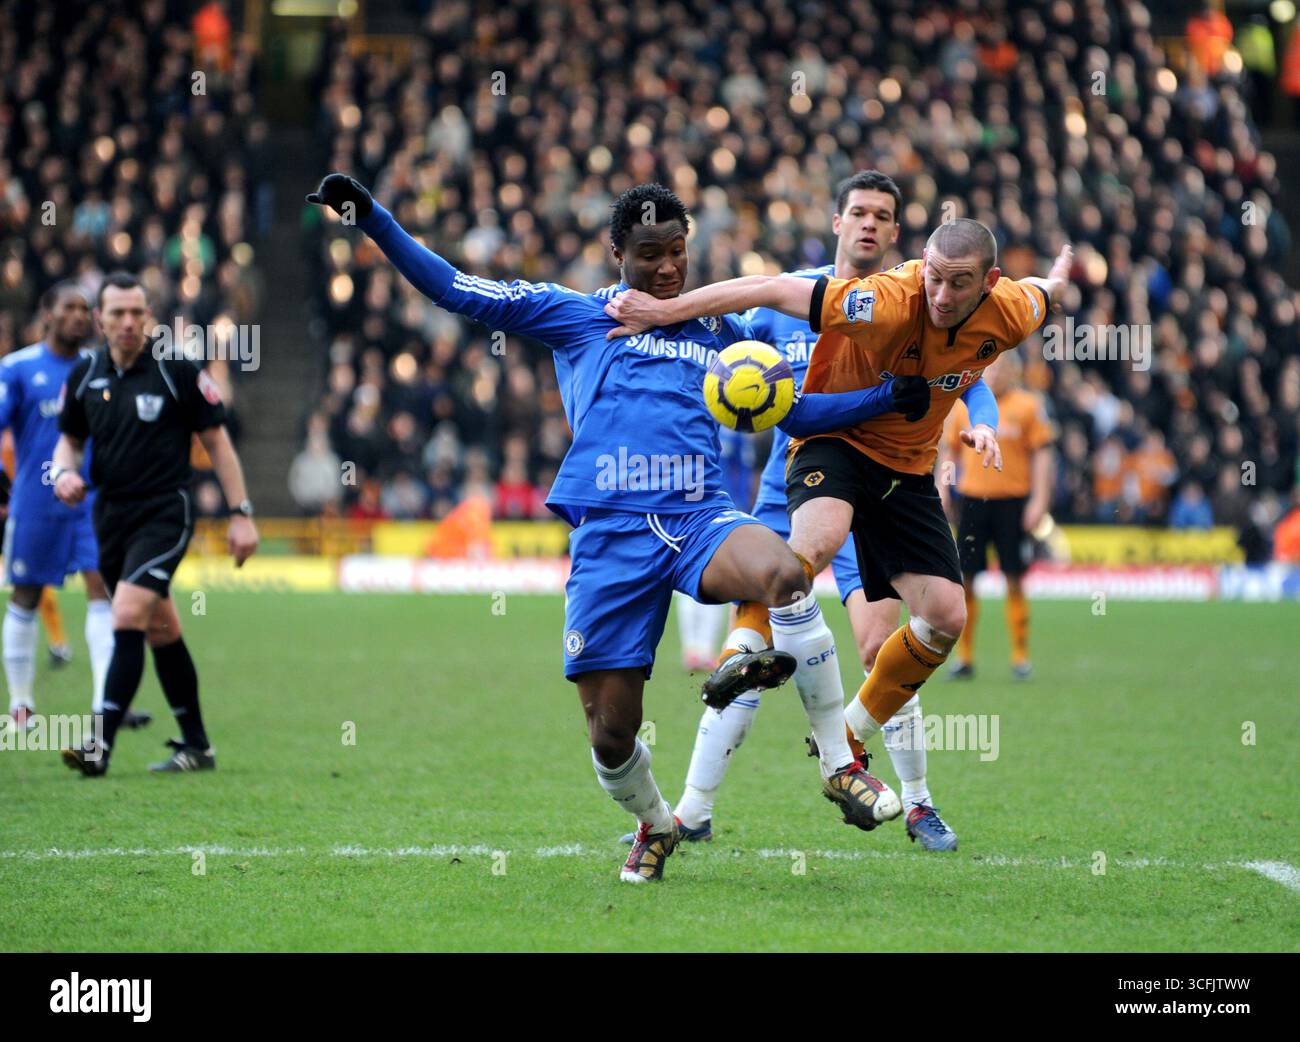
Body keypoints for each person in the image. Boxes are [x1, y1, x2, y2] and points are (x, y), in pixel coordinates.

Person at [307, 173, 928, 882]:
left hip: (700, 515)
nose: (667, 268)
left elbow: (796, 414)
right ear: (616, 255)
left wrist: (884, 396)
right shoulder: (573, 316)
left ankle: (840, 765)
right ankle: (660, 823)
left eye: (677, 252)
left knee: (785, 573)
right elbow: (454, 287)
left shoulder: (723, 329)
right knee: (610, 734)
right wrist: (371, 217)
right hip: (608, 536)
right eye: (649, 254)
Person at [604, 219, 1072, 772]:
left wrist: (1058, 283)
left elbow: (1040, 296)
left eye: (960, 284)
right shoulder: (883, 300)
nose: (942, 296)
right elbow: (771, 288)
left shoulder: (1013, 311)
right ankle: (747, 649)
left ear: (990, 282)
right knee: (818, 542)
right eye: (935, 278)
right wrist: (662, 311)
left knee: (947, 615)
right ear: (922, 263)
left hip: (906, 470)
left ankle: (849, 732)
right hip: (834, 441)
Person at [635, 172, 998, 852]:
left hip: (881, 497)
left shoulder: (908, 306)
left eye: (881, 216)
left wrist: (981, 419)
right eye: (857, 211)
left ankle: (917, 803)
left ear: (896, 235)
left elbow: (967, 376)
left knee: (879, 647)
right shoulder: (790, 303)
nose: (867, 224)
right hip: (790, 501)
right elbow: (723, 349)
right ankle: (692, 810)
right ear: (837, 223)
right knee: (746, 660)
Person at [53, 272, 258, 775]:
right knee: (161, 628)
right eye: (117, 313)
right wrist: (61, 472)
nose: (127, 322)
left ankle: (97, 747)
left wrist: (241, 514)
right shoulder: (84, 376)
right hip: (111, 516)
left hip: (165, 512)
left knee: (125, 615)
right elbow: (70, 441)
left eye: (136, 313)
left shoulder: (177, 372)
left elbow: (218, 444)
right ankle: (198, 746)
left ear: (149, 318)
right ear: (99, 319)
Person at [0, 283, 148, 733]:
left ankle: (106, 706)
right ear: (47, 313)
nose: (80, 317)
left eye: (86, 309)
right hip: (36, 503)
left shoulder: (101, 368)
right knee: (25, 594)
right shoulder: (18, 368)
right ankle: (22, 704)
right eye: (70, 308)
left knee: (103, 592)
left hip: (94, 504)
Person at [939, 350, 1055, 680]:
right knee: (966, 579)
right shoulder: (965, 408)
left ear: (1014, 370)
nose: (994, 373)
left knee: (1015, 577)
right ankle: (964, 657)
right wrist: (944, 487)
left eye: (1001, 367)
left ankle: (1020, 656)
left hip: (1013, 504)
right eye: (989, 367)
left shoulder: (1028, 407)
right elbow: (949, 451)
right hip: (973, 502)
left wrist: (1039, 501)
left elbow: (1042, 457)